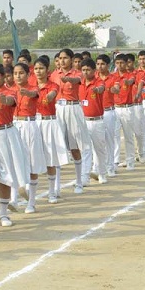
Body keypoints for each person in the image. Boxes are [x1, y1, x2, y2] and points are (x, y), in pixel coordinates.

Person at [0, 62, 28, 224]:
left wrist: (4, 99)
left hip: (5, 134)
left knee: (5, 174)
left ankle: (3, 213)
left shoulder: (10, 92)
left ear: (3, 77)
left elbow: (10, 101)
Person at [50, 49, 89, 193]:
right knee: (58, 147)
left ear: (72, 60)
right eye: (60, 58)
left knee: (74, 146)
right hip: (57, 109)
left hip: (73, 108)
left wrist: (68, 80)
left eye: (65, 58)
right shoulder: (54, 74)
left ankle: (79, 181)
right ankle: (56, 186)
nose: (62, 61)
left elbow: (78, 81)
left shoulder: (77, 73)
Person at [12, 63, 46, 213]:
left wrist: (26, 92)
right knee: (14, 161)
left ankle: (31, 201)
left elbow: (34, 95)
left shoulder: (33, 88)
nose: (18, 76)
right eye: (15, 73)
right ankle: (13, 198)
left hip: (29, 125)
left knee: (32, 163)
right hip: (14, 125)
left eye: (21, 73)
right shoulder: (10, 90)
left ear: (27, 74)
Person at [34, 56, 68, 202]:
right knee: (32, 157)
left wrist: (50, 95)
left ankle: (52, 191)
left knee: (50, 158)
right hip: (34, 122)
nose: (38, 71)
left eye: (41, 68)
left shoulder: (53, 85)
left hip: (49, 123)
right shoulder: (30, 85)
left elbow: (53, 94)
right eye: (36, 68)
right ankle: (29, 191)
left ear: (47, 70)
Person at [78, 59, 108, 184]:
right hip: (83, 121)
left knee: (99, 149)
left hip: (97, 121)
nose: (85, 72)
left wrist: (97, 90)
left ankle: (102, 173)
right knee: (85, 150)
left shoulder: (98, 82)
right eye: (83, 70)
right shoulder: (79, 83)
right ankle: (84, 177)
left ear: (93, 71)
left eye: (88, 70)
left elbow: (102, 88)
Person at [111, 54, 138, 170]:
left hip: (128, 108)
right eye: (117, 63)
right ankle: (115, 161)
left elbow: (131, 81)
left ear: (126, 63)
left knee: (128, 136)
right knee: (114, 135)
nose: (119, 65)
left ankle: (130, 161)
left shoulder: (131, 75)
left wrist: (127, 82)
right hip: (115, 108)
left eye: (122, 63)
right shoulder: (112, 76)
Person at [95, 54, 120, 177]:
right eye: (98, 64)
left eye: (102, 64)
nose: (100, 66)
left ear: (108, 65)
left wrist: (115, 89)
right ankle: (97, 167)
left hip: (108, 112)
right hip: (96, 113)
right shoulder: (93, 78)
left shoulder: (113, 77)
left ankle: (110, 166)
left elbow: (117, 87)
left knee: (109, 140)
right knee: (96, 141)